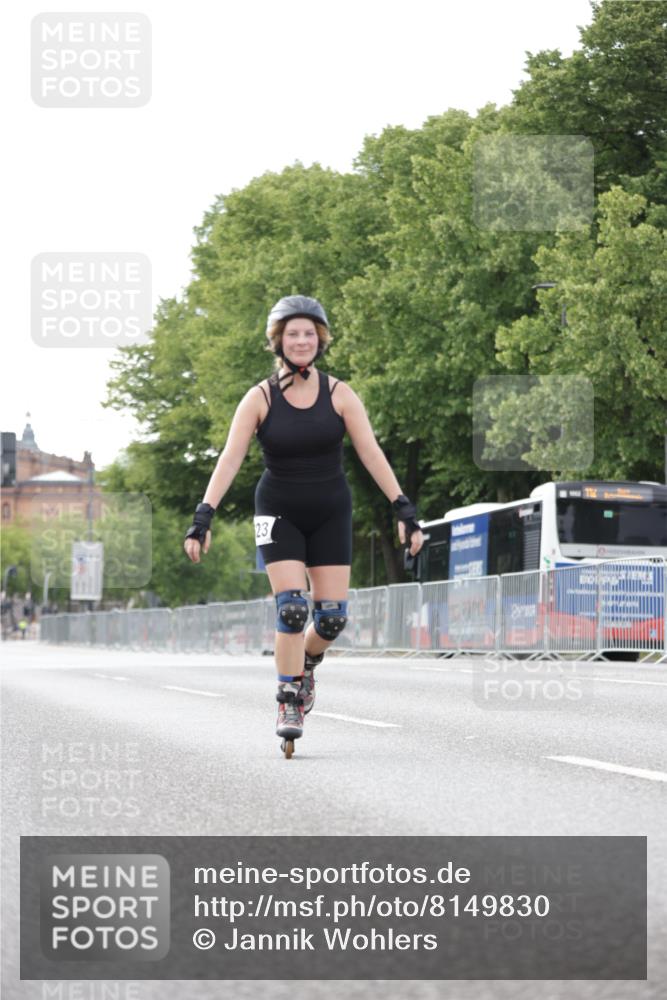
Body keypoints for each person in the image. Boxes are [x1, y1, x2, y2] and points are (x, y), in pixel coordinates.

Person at [183, 295, 423, 751]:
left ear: (320, 340)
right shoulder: (259, 397)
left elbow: (371, 452)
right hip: (277, 512)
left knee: (331, 619)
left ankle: (308, 662)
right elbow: (231, 458)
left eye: (309, 333)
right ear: (278, 341)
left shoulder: (339, 393)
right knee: (292, 608)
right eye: (292, 333)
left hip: (332, 509)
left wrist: (403, 508)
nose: (301, 340)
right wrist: (203, 515)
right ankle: (288, 696)